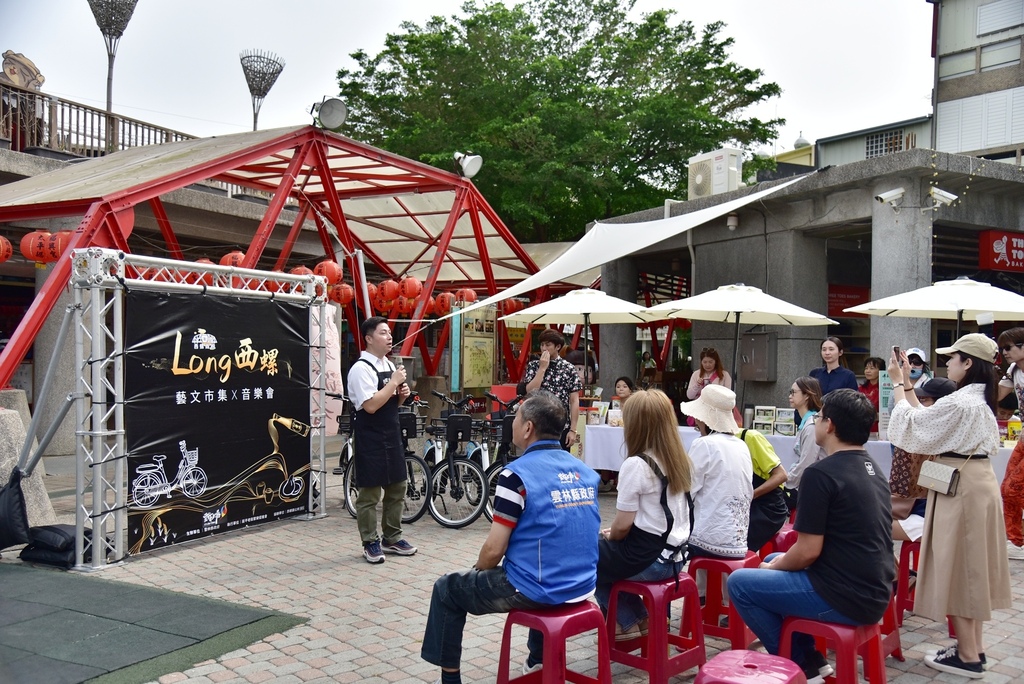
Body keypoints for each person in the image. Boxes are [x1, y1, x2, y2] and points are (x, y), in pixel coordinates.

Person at [421, 390, 601, 684]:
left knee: (447, 589)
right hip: (582, 585)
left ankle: (450, 679)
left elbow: (493, 551)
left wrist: (478, 570)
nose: (512, 424)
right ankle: (538, 660)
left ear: (528, 428)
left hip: (537, 588)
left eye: (515, 418)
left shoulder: (515, 475)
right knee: (537, 562)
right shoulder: (585, 472)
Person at [728, 389, 894, 683]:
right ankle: (809, 656)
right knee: (772, 556)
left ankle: (800, 663)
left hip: (844, 595)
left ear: (830, 425)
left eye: (818, 416)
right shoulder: (871, 467)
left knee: (740, 583)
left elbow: (807, 551)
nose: (815, 421)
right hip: (875, 589)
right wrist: (774, 564)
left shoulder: (821, 474)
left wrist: (772, 568)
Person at [888, 334, 1011, 679]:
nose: (948, 363)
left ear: (968, 362)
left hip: (963, 487)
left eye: (954, 357)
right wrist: (909, 386)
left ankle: (969, 656)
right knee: (969, 568)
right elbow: (922, 421)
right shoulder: (971, 399)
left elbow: (910, 426)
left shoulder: (961, 402)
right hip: (970, 482)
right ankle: (973, 649)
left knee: (960, 569)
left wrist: (899, 383)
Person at [594, 390, 692, 640]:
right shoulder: (679, 459)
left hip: (650, 560)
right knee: (603, 556)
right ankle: (639, 619)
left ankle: (627, 621)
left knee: (586, 556)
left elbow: (623, 525)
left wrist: (611, 536)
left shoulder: (636, 464)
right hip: (676, 557)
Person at [347, 316, 416, 564]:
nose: (389, 337)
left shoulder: (387, 364)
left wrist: (400, 397)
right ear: (368, 338)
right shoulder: (360, 368)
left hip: (391, 434)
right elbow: (372, 405)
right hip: (370, 437)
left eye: (389, 333)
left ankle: (392, 537)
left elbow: (388, 403)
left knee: (397, 486)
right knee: (370, 494)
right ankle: (370, 541)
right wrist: (395, 383)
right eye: (383, 333)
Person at [678, 385, 752, 561]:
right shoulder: (741, 445)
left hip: (706, 541)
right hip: (739, 541)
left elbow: (688, 490)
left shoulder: (705, 444)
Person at [889, 377, 956, 545]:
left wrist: (898, 383)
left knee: (866, 528)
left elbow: (904, 416)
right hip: (921, 510)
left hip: (930, 517)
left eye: (925, 400)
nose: (919, 405)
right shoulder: (940, 432)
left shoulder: (940, 439)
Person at [520, 329, 582, 449]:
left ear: (558, 346)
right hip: (536, 423)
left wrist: (573, 430)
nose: (544, 348)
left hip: (561, 425)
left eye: (548, 345)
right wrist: (542, 368)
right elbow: (531, 392)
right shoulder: (534, 365)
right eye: (542, 344)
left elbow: (574, 401)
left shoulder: (568, 368)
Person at [738, 427, 789, 552]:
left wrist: (751, 495)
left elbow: (781, 475)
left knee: (735, 541)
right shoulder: (708, 443)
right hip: (740, 508)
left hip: (767, 508)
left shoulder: (750, 437)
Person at [997, 326, 1024, 560]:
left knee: (1012, 489)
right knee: (1007, 487)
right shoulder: (1014, 369)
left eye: (1009, 347)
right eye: (1002, 348)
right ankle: (1016, 539)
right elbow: (996, 395)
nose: (1004, 352)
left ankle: (1017, 540)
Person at [783, 376, 827, 511]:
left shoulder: (812, 426)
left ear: (807, 395)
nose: (790, 396)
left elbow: (807, 463)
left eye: (793, 392)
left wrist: (785, 482)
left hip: (814, 486)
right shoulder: (808, 423)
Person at [858, 356, 884, 433]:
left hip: (879, 427)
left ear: (880, 371)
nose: (868, 371)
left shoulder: (884, 389)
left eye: (872, 368)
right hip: (861, 426)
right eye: (866, 368)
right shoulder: (860, 388)